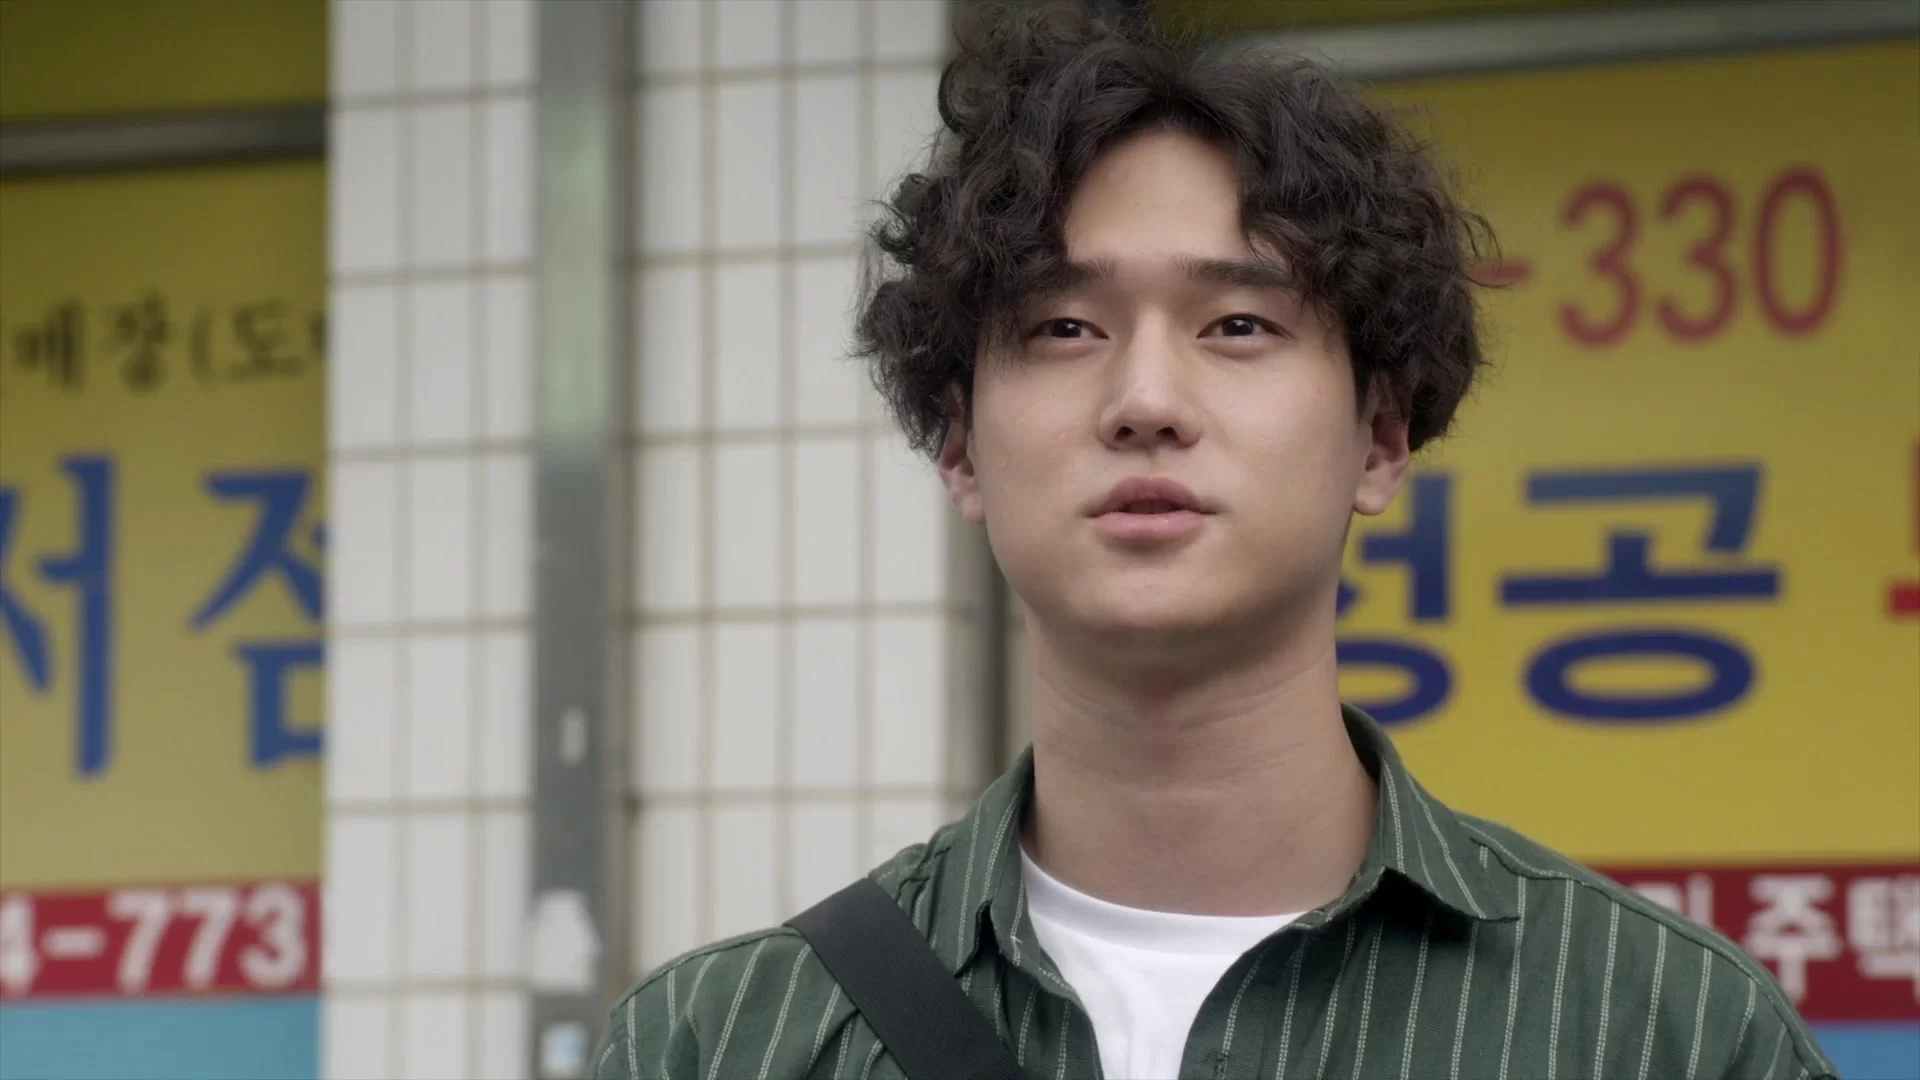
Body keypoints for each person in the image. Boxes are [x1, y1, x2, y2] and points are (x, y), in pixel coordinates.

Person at [595, 5, 1835, 1078]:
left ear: (1381, 437)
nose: (1146, 399)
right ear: (960, 444)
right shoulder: (725, 1041)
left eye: (1239, 324)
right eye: (1064, 329)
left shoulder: (1666, 1030)